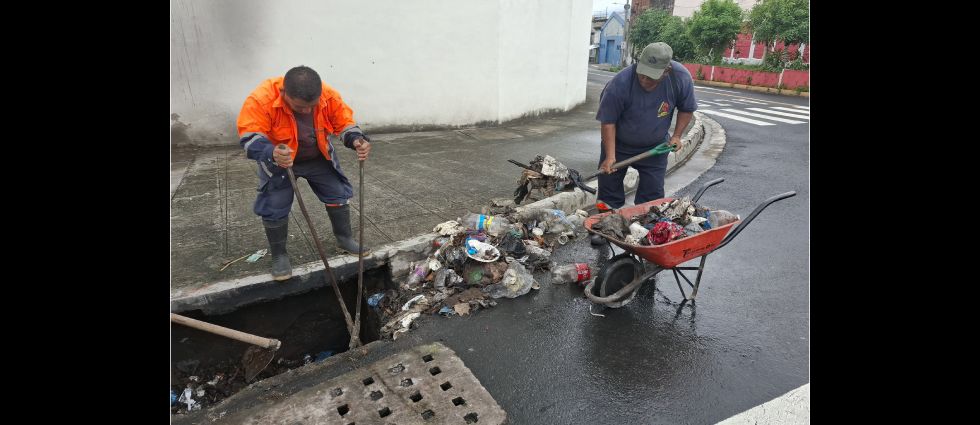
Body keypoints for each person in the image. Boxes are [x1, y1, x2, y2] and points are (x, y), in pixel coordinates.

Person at [237, 65, 372, 280]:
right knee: (274, 206)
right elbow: (249, 137)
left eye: (312, 106)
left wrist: (356, 140)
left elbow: (344, 122)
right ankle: (279, 255)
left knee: (337, 193)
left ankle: (344, 238)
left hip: (316, 155)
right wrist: (271, 151)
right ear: (284, 94)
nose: (307, 111)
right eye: (300, 107)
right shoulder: (261, 99)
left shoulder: (327, 95)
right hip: (279, 159)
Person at [592, 42, 698, 245]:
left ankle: (647, 229)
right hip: (619, 145)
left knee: (652, 193)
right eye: (642, 73)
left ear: (666, 71)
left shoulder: (680, 77)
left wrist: (676, 136)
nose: (644, 79)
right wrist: (610, 156)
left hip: (656, 147)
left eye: (651, 76)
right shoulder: (620, 83)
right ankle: (605, 227)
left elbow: (687, 108)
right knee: (608, 188)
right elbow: (608, 121)